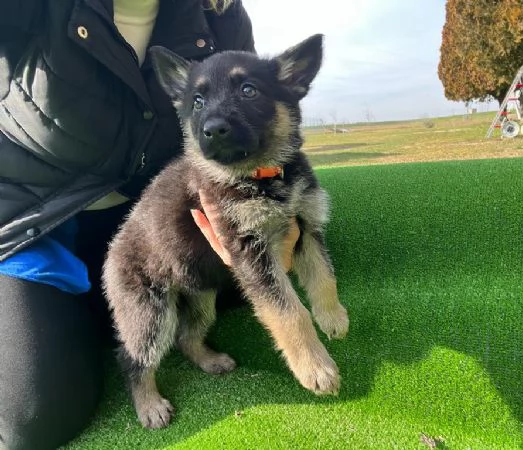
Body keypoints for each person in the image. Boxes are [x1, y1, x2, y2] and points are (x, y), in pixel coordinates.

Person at [0, 1, 299, 449]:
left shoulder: (218, 13)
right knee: (34, 416)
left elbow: (257, 131)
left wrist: (284, 221)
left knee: (290, 252)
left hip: (160, 219)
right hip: (41, 221)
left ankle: (123, 322)